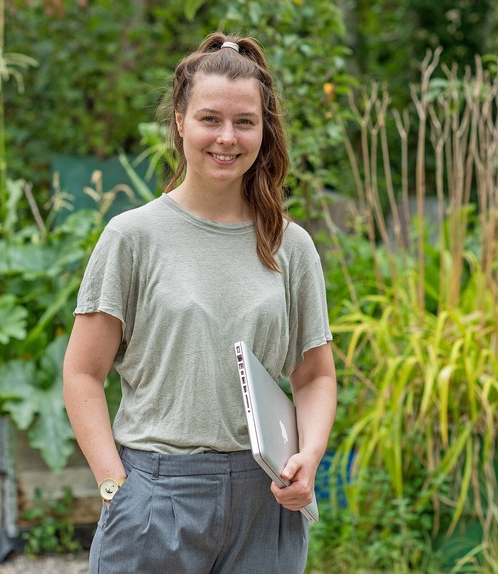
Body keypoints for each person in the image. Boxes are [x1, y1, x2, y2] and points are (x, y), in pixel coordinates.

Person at [62, 32, 337, 574]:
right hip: (155, 500)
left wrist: (311, 456)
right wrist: (116, 485)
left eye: (245, 122)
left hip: (267, 501)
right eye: (210, 119)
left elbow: (314, 376)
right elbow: (81, 373)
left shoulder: (291, 245)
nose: (227, 138)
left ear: (264, 128)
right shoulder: (132, 237)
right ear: (180, 122)